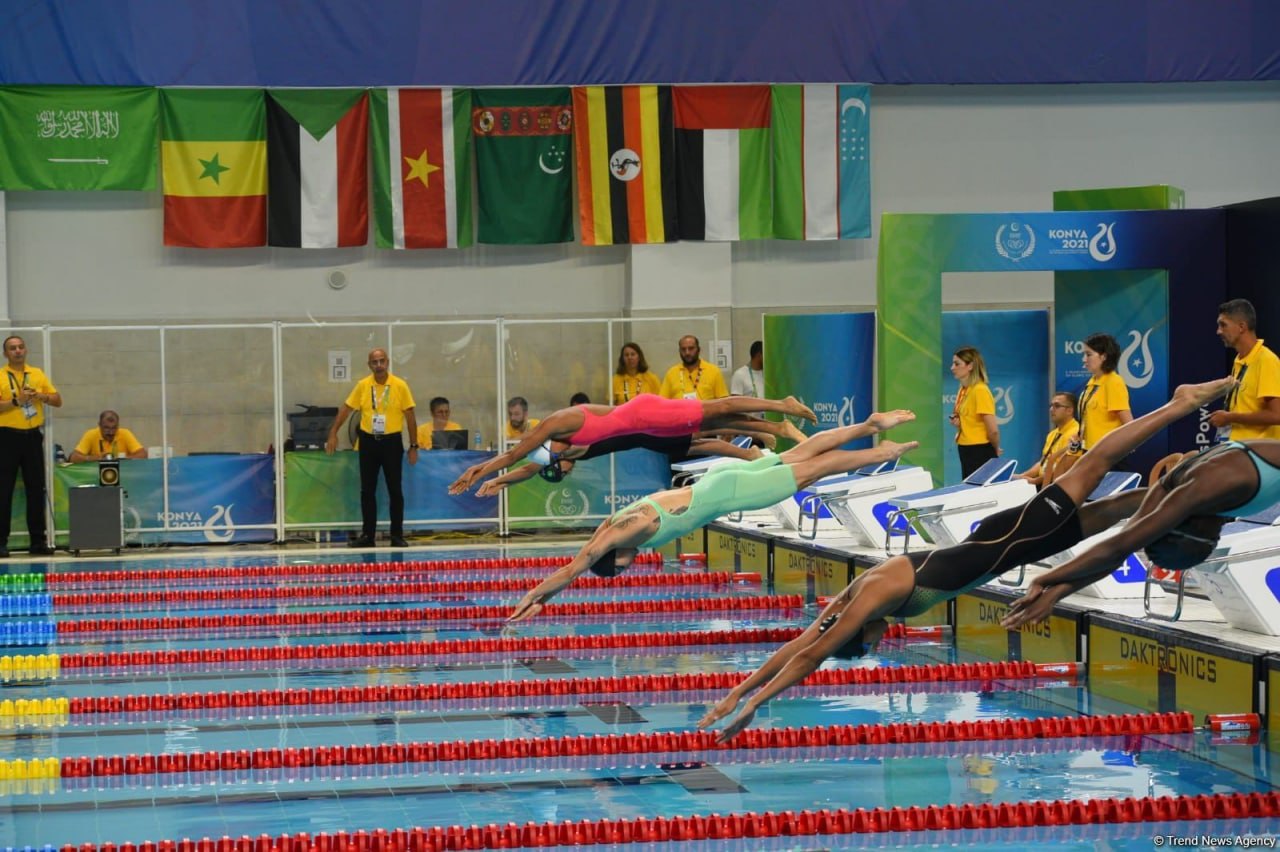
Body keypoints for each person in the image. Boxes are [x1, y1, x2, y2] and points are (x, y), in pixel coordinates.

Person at [698, 378, 1234, 743]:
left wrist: (755, 706)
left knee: (1095, 463)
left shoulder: (874, 601)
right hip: (1007, 540)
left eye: (868, 645)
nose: (880, 644)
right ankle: (1189, 483)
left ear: (863, 634)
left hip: (1019, 539)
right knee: (1120, 508)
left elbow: (811, 657)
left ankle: (1178, 405)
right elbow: (800, 644)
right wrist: (739, 692)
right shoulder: (851, 596)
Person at [505, 410, 919, 621]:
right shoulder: (613, 524)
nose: (630, 565)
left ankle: (885, 451)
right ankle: (870, 424)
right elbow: (585, 554)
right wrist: (540, 599)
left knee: (817, 467)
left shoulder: (626, 534)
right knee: (802, 453)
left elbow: (575, 567)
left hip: (729, 491)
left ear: (618, 558)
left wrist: (533, 597)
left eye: (621, 567)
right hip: (719, 479)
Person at [449, 392, 816, 494]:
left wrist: (477, 469)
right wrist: (492, 479)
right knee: (706, 430)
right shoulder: (565, 448)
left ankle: (779, 407)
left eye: (555, 461)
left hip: (647, 415)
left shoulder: (558, 424)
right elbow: (524, 467)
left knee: (714, 410)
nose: (563, 463)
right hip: (650, 429)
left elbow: (515, 455)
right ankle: (775, 429)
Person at [325, 348, 418, 548]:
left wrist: (413, 445)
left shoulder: (400, 385)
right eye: (374, 362)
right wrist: (333, 432)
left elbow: (410, 416)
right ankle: (368, 535)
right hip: (368, 441)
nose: (378, 365)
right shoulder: (362, 385)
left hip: (392, 442)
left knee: (395, 489)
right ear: (369, 365)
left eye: (382, 361)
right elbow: (346, 409)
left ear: (388, 362)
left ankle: (397, 535)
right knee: (367, 490)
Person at [475, 434, 763, 496]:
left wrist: (498, 480)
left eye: (561, 474)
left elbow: (527, 468)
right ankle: (746, 451)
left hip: (636, 426)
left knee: (695, 441)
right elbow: (529, 470)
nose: (568, 473)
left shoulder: (562, 448)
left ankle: (751, 446)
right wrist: (499, 482)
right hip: (636, 434)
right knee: (692, 444)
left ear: (555, 465)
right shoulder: (565, 454)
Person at [0, 335, 61, 557]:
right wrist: (17, 401)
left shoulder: (36, 374)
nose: (17, 351)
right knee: (3, 491)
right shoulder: (0, 376)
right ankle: (1, 542)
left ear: (25, 350)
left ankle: (38, 541)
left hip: (32, 436)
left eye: (20, 347)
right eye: (12, 348)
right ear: (5, 354)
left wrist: (40, 396)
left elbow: (58, 400)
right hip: (6, 437)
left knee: (36, 489)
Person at [1208, 298, 1280, 441]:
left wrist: (1230, 417)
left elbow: (1277, 415)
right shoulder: (1239, 360)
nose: (1218, 331)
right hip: (1238, 451)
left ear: (1241, 327)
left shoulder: (1266, 360)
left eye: (1223, 325)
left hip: (1257, 457)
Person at [1074, 332, 1132, 453]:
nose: (1084, 359)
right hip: (1089, 451)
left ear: (1104, 356)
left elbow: (1128, 422)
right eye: (1084, 354)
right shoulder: (1092, 382)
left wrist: (1128, 446)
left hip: (1108, 453)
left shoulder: (1113, 381)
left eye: (1088, 354)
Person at [949, 346, 1000, 478]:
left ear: (970, 366)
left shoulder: (980, 390)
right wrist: (960, 423)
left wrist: (994, 449)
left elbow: (993, 430)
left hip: (980, 450)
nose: (952, 368)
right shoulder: (963, 390)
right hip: (965, 448)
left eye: (956, 364)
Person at [1014, 392, 1079, 488]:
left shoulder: (1075, 434)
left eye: (1057, 406)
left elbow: (1064, 470)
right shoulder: (1052, 434)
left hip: (1059, 485)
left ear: (1069, 410)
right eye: (1051, 406)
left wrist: (1035, 481)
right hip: (1044, 482)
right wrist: (1023, 476)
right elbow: (1043, 462)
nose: (1052, 409)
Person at [659, 335, 729, 401]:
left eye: (691, 348)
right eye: (683, 349)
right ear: (679, 351)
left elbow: (723, 402)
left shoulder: (713, 371)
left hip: (706, 413)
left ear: (698, 350)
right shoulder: (671, 373)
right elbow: (662, 402)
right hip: (680, 413)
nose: (687, 353)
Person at [68, 410, 148, 462]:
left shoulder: (125, 433)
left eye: (114, 428)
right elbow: (74, 457)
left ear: (118, 426)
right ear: (99, 425)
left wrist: (122, 459)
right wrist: (97, 459)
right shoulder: (91, 434)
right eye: (106, 428)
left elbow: (143, 454)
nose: (110, 432)